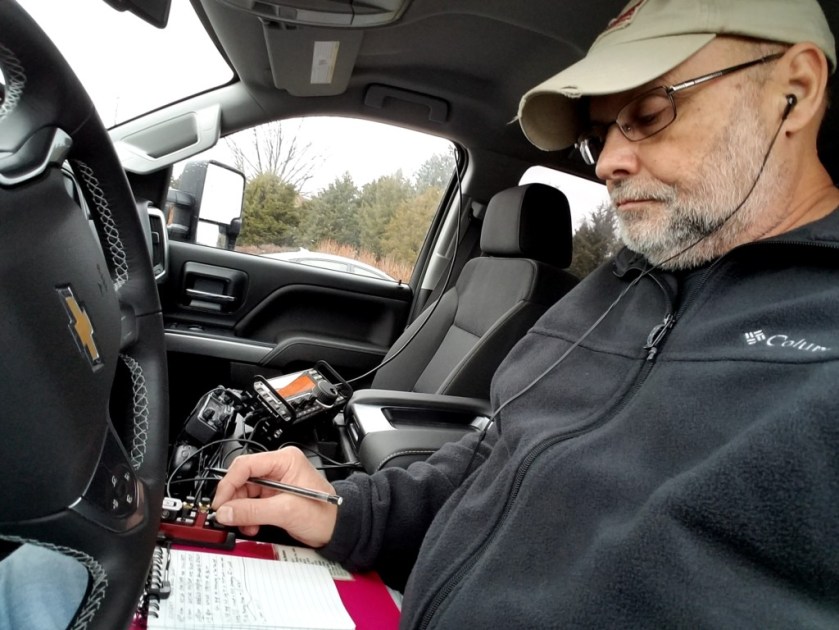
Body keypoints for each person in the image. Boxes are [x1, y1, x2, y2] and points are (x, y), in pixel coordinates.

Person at [213, 0, 839, 626]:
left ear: (797, 89)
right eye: (599, 136)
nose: (609, 162)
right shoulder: (611, 291)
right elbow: (497, 459)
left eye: (650, 113)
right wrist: (352, 512)